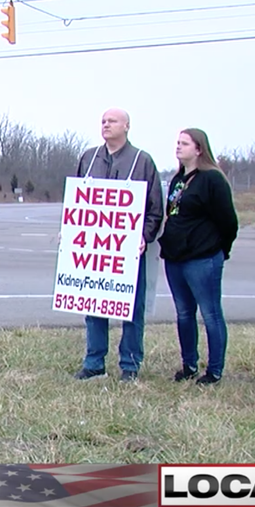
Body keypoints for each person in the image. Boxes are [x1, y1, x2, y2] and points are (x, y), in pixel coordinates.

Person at [71, 108, 165, 382]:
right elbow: (78, 201)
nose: (106, 125)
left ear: (126, 126)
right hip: (94, 252)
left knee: (132, 310)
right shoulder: (89, 158)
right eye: (102, 121)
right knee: (93, 305)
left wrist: (144, 237)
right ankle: (94, 362)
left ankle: (130, 365)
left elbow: (154, 208)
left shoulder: (142, 161)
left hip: (127, 252)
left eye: (112, 121)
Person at [158, 128, 238, 385]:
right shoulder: (177, 180)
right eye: (177, 143)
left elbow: (229, 222)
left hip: (202, 258)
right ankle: (189, 364)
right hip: (175, 257)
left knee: (210, 313)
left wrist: (220, 250)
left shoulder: (212, 179)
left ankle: (214, 370)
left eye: (184, 143)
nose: (178, 147)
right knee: (183, 312)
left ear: (199, 149)